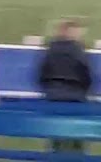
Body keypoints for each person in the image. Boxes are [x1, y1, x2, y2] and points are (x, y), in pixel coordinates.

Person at [37, 19, 93, 154]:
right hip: (76, 97)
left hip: (53, 96)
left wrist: (48, 89)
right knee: (78, 135)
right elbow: (86, 74)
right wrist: (84, 91)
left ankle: (55, 155)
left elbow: (42, 73)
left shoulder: (51, 49)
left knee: (54, 134)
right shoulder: (78, 50)